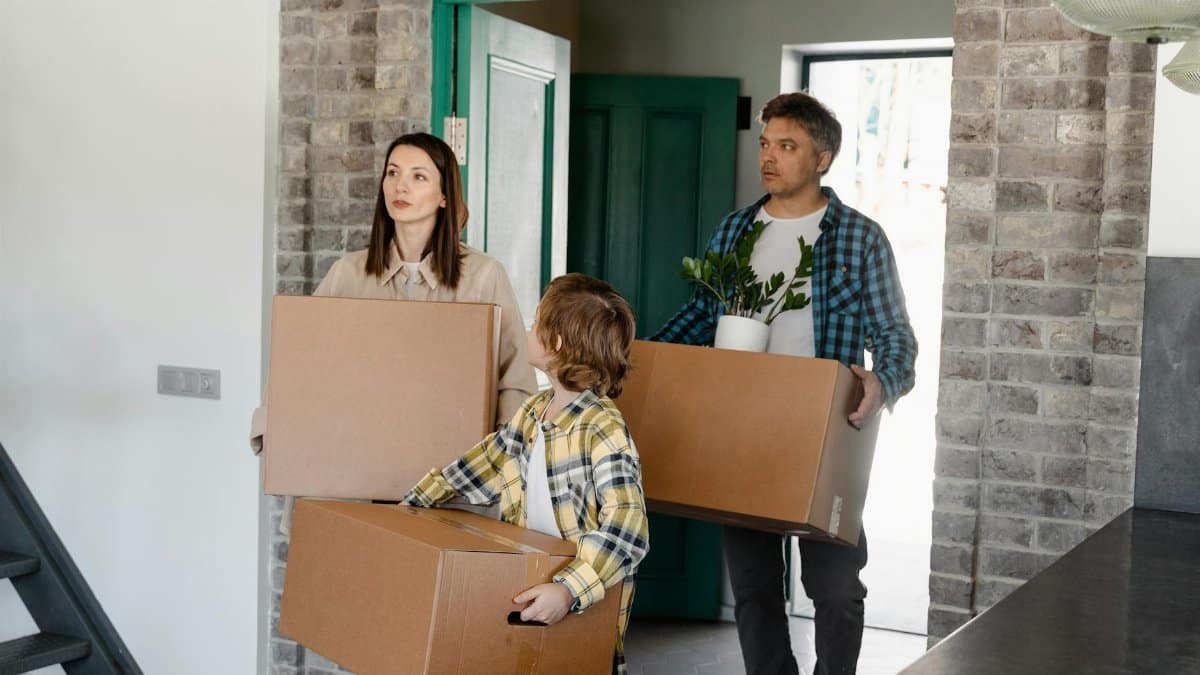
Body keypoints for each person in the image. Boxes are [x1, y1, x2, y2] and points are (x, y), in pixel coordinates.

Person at [651, 92, 917, 675]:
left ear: (822, 158)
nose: (768, 157)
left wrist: (883, 383)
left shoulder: (860, 238)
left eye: (787, 146)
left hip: (824, 435)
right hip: (742, 432)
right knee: (753, 587)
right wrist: (644, 358)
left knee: (837, 589)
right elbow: (700, 315)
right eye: (765, 144)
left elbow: (898, 336)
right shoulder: (734, 232)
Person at [250, 132, 538, 527]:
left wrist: (501, 461)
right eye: (392, 173)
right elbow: (297, 364)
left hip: (453, 486)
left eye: (418, 176)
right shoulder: (347, 274)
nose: (400, 185)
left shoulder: (485, 276)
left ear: (444, 195)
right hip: (352, 480)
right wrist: (273, 432)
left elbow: (516, 378)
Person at [403, 273, 649, 675]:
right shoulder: (535, 410)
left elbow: (628, 528)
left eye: (538, 322)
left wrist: (569, 590)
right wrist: (416, 501)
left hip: (582, 599)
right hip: (535, 575)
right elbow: (487, 461)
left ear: (558, 343)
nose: (529, 330)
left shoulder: (603, 428)